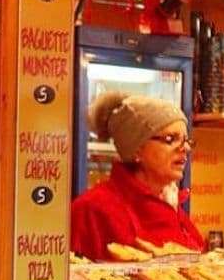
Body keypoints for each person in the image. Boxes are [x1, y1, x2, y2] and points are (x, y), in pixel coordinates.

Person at [70, 90, 206, 261]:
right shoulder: (91, 209)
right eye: (171, 139)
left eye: (186, 140)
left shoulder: (172, 205)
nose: (184, 148)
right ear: (137, 149)